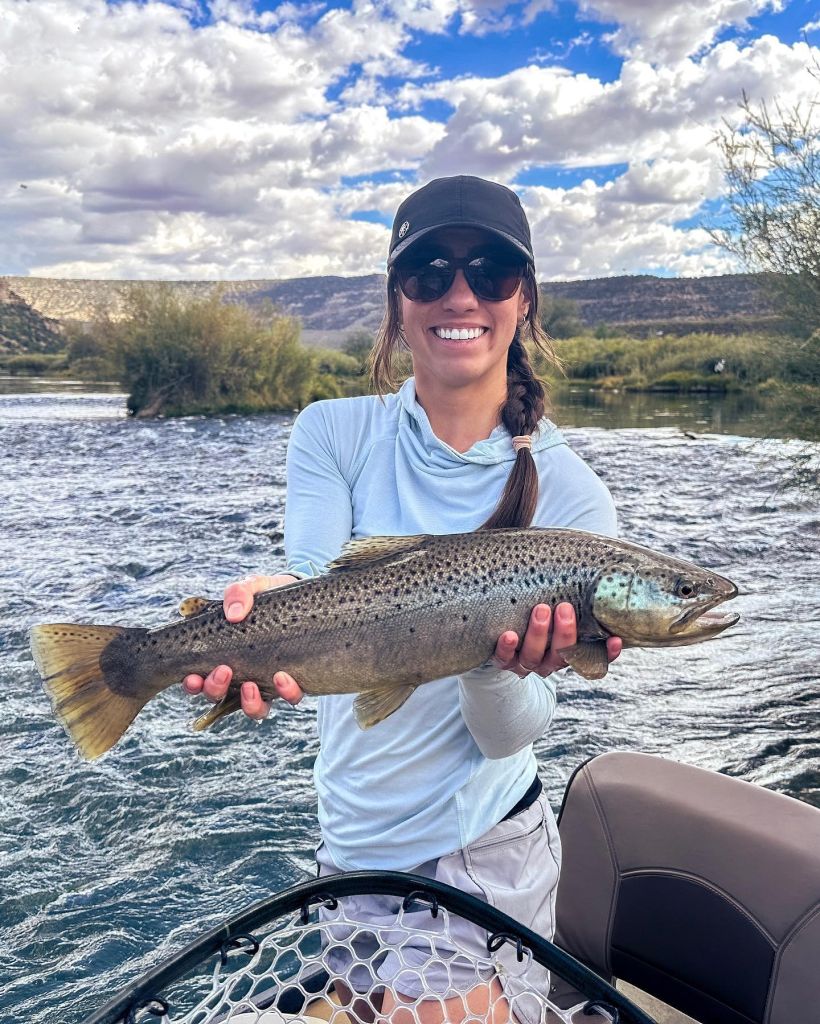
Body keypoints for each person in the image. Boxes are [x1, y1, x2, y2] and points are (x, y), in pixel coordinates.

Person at [183, 175, 621, 1024]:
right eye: (429, 271)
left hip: (483, 849)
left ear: (523, 298)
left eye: (491, 271)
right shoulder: (331, 431)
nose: (460, 294)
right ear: (397, 299)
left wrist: (497, 666)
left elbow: (506, 738)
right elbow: (308, 581)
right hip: (350, 840)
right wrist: (259, 616)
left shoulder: (573, 497)